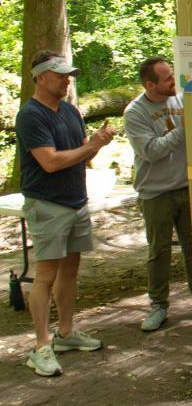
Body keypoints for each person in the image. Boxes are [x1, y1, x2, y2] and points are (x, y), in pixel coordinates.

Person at [15, 51, 116, 377]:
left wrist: (98, 143)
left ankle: (67, 332)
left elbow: (83, 154)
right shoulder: (31, 115)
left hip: (76, 202)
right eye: (60, 75)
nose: (67, 80)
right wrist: (91, 146)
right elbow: (50, 162)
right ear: (41, 77)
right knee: (45, 275)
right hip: (47, 205)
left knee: (70, 271)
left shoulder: (71, 111)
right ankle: (41, 346)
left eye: (69, 75)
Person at [124, 58, 192, 332]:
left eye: (172, 75)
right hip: (155, 193)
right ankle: (158, 306)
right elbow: (150, 151)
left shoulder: (182, 99)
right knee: (159, 251)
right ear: (150, 84)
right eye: (167, 78)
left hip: (187, 187)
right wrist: (182, 130)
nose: (174, 81)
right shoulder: (135, 112)